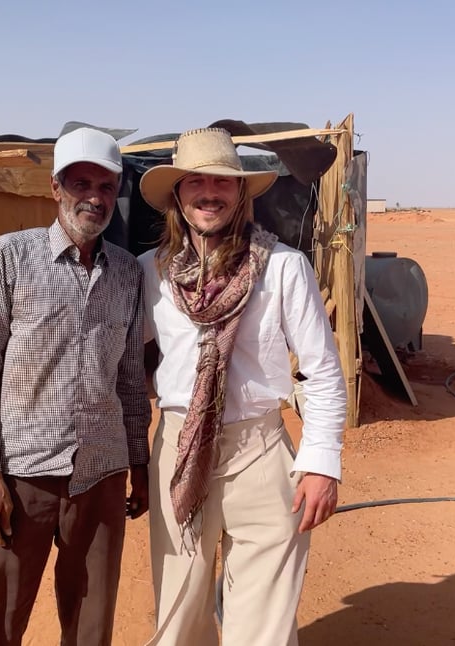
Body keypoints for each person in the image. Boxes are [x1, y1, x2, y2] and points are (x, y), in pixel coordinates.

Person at [137, 127, 347, 646]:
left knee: (264, 624)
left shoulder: (284, 268)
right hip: (179, 451)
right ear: (177, 195)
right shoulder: (149, 274)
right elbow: (123, 361)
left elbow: (321, 371)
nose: (209, 192)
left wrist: (321, 462)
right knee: (179, 615)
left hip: (261, 449)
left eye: (222, 181)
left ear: (240, 192)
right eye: (196, 181)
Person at [0, 127, 151, 646]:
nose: (94, 197)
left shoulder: (126, 272)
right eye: (80, 183)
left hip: (102, 474)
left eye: (106, 186)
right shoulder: (9, 258)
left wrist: (139, 463)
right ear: (55, 188)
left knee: (91, 627)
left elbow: (130, 380)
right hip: (22, 476)